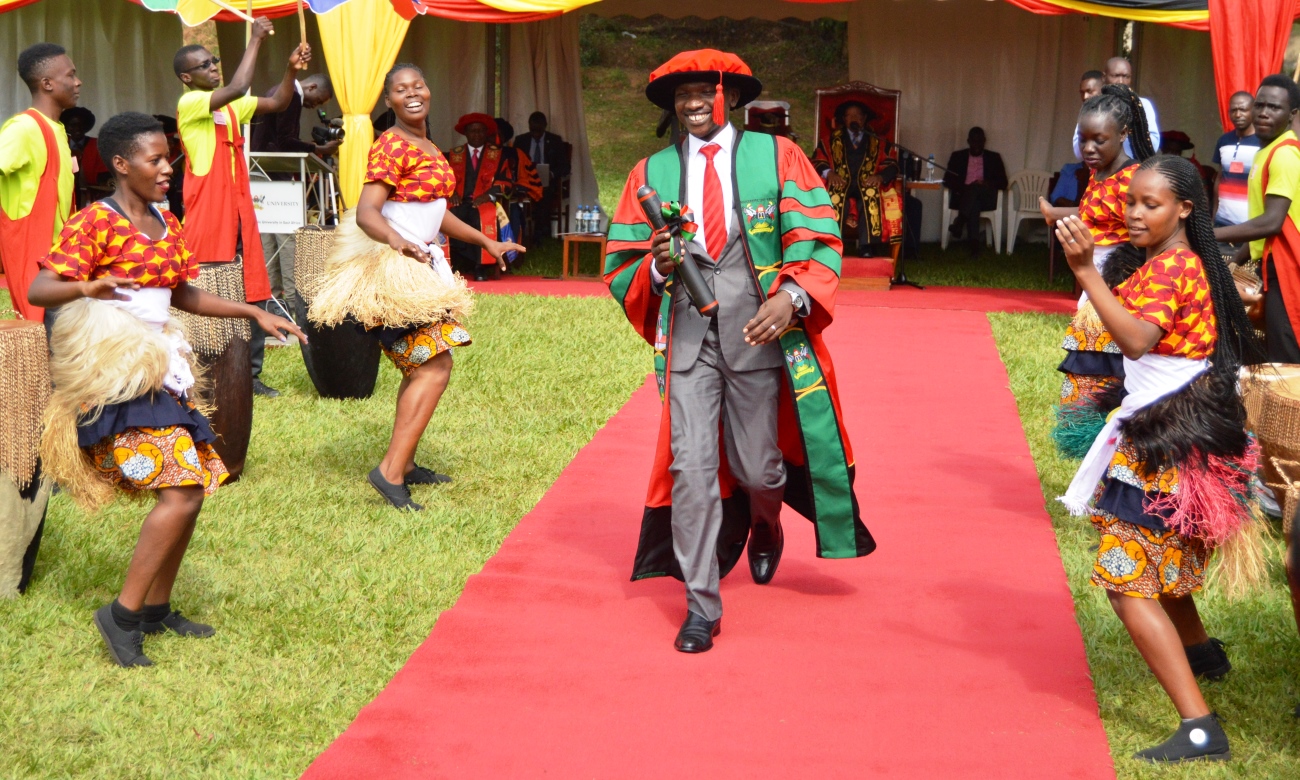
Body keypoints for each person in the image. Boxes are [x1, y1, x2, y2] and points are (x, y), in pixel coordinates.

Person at [604, 49, 876, 653]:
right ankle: (701, 605)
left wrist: (794, 297)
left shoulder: (776, 156)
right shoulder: (649, 173)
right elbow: (620, 261)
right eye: (682, 95)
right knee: (691, 471)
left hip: (759, 333)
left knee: (759, 468)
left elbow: (820, 234)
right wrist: (656, 263)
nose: (692, 103)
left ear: (730, 96)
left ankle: (765, 520)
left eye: (704, 90)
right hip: (687, 340)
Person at [27, 112, 304, 667]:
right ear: (122, 164)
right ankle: (122, 615)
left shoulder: (165, 220)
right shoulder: (95, 222)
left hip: (164, 368)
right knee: (179, 491)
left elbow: (183, 295)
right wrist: (88, 284)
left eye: (167, 158)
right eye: (155, 160)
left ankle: (155, 609)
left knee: (191, 490)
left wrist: (252, 311)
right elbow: (40, 287)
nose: (167, 168)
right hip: (120, 372)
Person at [1055, 154, 1264, 762]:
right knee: (1158, 560)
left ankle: (1200, 728)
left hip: (1167, 444)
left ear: (1184, 210)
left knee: (1127, 585)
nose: (1136, 213)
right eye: (1132, 203)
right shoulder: (1166, 263)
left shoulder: (1176, 268)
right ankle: (1202, 653)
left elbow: (1138, 338)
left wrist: (1084, 272)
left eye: (1152, 204)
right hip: (1167, 433)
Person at [308, 64, 522, 510]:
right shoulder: (391, 144)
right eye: (400, 90)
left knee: (420, 366)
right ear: (388, 101)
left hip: (421, 263)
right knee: (434, 366)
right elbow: (368, 211)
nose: (411, 93)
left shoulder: (425, 144)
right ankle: (389, 472)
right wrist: (399, 242)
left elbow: (435, 212)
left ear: (429, 90)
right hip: (395, 270)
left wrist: (487, 240)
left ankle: (402, 465)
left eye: (418, 85)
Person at [173, 16, 310, 398]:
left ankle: (249, 376)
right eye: (205, 64)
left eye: (214, 60)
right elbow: (237, 85)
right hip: (207, 215)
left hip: (240, 212)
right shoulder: (191, 104)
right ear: (187, 78)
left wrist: (289, 71)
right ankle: (203, 371)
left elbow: (279, 102)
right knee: (206, 290)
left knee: (253, 289)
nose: (213, 66)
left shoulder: (233, 108)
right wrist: (255, 40)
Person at [1039, 84, 1157, 459]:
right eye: (1083, 139)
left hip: (1120, 282)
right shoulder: (1099, 174)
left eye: (1099, 140)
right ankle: (1093, 451)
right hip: (1093, 276)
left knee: (1107, 368)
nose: (1088, 148)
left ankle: (1110, 450)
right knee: (1093, 367)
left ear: (1124, 134)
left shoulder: (1134, 178)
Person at [1214, 75, 1300, 363]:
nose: (1263, 112)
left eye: (1274, 107)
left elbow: (1271, 222)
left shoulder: (1285, 155)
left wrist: (1208, 233)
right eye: (1260, 105)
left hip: (1289, 268)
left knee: (1287, 353)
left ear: (1292, 115)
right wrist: (1237, 260)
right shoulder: (1266, 151)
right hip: (1272, 265)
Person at [249, 72, 342, 328]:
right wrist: (318, 149)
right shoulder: (289, 95)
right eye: (318, 100)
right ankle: (292, 307)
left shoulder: (279, 89)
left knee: (267, 240)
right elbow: (284, 141)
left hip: (259, 173)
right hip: (272, 173)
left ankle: (270, 302)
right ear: (311, 86)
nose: (316, 106)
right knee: (287, 240)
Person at [0, 43, 79, 323]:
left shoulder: (58, 130)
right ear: (47, 84)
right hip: (34, 263)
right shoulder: (24, 128)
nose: (77, 81)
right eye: (70, 75)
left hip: (59, 261)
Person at [811, 99, 901, 256]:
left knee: (869, 195)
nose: (853, 119)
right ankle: (831, 245)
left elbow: (892, 164)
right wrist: (830, 174)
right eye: (849, 115)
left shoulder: (879, 141)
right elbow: (818, 160)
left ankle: (867, 246)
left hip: (867, 183)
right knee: (836, 198)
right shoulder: (830, 140)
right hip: (840, 182)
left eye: (857, 115)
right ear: (844, 119)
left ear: (864, 118)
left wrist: (879, 177)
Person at [446, 113, 530, 280]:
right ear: (466, 133)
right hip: (458, 201)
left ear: (486, 134)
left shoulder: (499, 155)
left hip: (483, 202)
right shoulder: (453, 155)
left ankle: (480, 267)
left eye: (480, 131)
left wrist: (488, 195)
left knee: (483, 218)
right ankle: (448, 265)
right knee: (446, 217)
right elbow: (443, 179)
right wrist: (452, 193)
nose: (476, 135)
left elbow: (505, 181)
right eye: (472, 131)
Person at [942, 126, 1008, 256]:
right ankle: (974, 246)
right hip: (963, 196)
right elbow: (947, 180)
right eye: (974, 141)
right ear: (968, 141)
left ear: (984, 141)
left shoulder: (994, 158)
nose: (977, 145)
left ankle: (960, 222)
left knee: (976, 189)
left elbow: (1004, 183)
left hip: (986, 197)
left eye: (980, 142)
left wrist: (987, 183)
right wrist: (966, 188)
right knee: (974, 201)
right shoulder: (957, 157)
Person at [513, 111, 569, 242]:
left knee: (544, 192)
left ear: (545, 126)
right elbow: (513, 163)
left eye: (539, 130)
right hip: (525, 181)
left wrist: (551, 174)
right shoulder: (521, 141)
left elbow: (565, 166)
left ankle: (541, 234)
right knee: (515, 193)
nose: (536, 133)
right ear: (529, 126)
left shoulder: (555, 141)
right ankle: (520, 232)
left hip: (547, 183)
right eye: (533, 130)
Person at [1211, 91, 1259, 238]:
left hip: (1250, 226)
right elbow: (1220, 177)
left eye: (1243, 109)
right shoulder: (1223, 141)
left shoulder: (1263, 143)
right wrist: (1214, 213)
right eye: (1233, 110)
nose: (1238, 114)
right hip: (1222, 222)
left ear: (1254, 111)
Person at [493, 116, 542, 259]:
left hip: (508, 198)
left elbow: (526, 179)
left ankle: (510, 255)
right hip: (481, 198)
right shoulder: (479, 153)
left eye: (497, 133)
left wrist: (515, 187)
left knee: (513, 210)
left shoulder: (515, 153)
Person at [60, 107, 108, 208]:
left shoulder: (96, 145)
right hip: (64, 194)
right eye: (73, 125)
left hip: (90, 196)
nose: (77, 128)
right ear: (67, 127)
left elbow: (103, 174)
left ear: (85, 127)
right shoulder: (61, 144)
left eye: (80, 125)